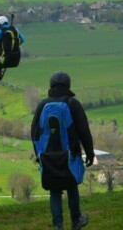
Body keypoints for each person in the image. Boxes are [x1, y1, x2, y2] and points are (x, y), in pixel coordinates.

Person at [31, 71, 93, 230]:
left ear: (51, 86)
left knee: (54, 191)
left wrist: (39, 156)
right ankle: (76, 220)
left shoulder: (42, 105)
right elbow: (84, 131)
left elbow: (34, 134)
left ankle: (58, 226)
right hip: (69, 156)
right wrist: (90, 153)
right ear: (68, 85)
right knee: (72, 186)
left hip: (48, 158)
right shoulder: (73, 104)